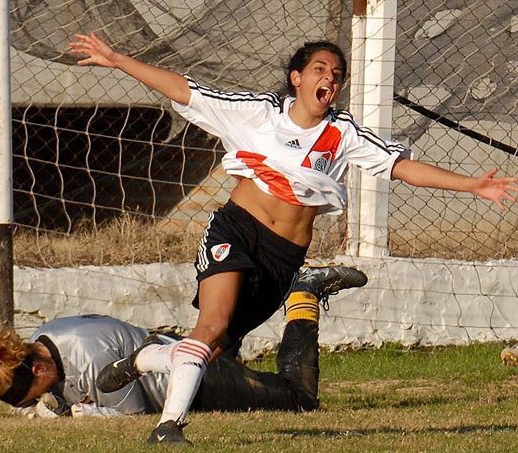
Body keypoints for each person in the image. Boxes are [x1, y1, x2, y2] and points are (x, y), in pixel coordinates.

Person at [68, 33, 518, 444]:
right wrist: (117, 59)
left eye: (337, 74)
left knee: (216, 348)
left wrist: (473, 184)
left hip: (284, 256)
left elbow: (402, 168)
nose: (331, 78)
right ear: (297, 78)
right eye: (321, 69)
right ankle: (168, 429)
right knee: (211, 327)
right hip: (237, 231)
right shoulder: (259, 113)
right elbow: (183, 89)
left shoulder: (342, 134)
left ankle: (145, 359)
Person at [0, 265, 366, 421]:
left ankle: (303, 292)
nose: (35, 403)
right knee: (230, 327)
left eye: (32, 397)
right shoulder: (38, 343)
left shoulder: (93, 362)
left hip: (193, 381)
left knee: (298, 398)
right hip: (172, 349)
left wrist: (80, 414)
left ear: (40, 369)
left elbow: (135, 415)